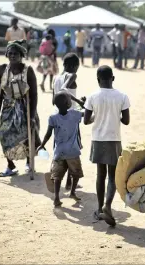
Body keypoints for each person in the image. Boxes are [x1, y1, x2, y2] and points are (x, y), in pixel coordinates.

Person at [84, 66, 130, 226]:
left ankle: (99, 208)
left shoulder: (92, 96)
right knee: (112, 176)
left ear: (98, 80)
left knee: (100, 175)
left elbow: (86, 120)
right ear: (113, 78)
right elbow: (126, 121)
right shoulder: (122, 96)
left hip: (98, 139)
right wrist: (114, 112)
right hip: (114, 140)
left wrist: (98, 113)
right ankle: (108, 205)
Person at [0, 40, 41, 176]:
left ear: (21, 55)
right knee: (4, 135)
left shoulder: (28, 71)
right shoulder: (2, 69)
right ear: (7, 55)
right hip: (8, 108)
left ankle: (29, 162)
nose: (13, 56)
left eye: (15, 53)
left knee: (27, 135)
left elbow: (34, 94)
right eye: (10, 53)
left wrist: (32, 116)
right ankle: (10, 166)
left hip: (24, 107)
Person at [37, 92, 85, 207]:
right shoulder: (74, 114)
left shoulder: (53, 118)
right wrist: (80, 101)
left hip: (59, 152)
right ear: (68, 104)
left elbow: (48, 134)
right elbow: (86, 112)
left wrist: (42, 144)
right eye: (70, 100)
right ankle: (72, 192)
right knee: (76, 174)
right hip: (73, 152)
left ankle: (57, 198)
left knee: (57, 177)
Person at [52, 53, 86, 191]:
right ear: (74, 66)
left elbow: (54, 99)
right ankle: (68, 182)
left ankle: (63, 181)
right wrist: (78, 102)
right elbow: (64, 90)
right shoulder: (71, 75)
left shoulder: (56, 78)